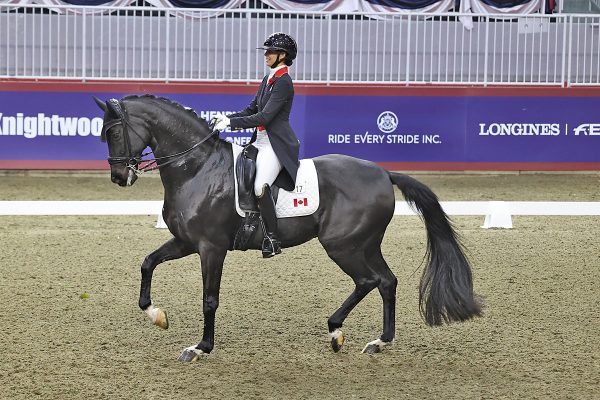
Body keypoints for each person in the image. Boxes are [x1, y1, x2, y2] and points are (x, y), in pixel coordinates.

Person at [213, 32, 300, 258]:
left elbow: (264, 118)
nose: (266, 55)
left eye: (270, 52)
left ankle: (272, 238)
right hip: (259, 142)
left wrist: (231, 124)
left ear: (283, 55)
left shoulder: (284, 83)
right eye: (266, 51)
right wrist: (225, 118)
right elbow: (251, 109)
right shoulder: (268, 79)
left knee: (261, 186)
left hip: (275, 145)